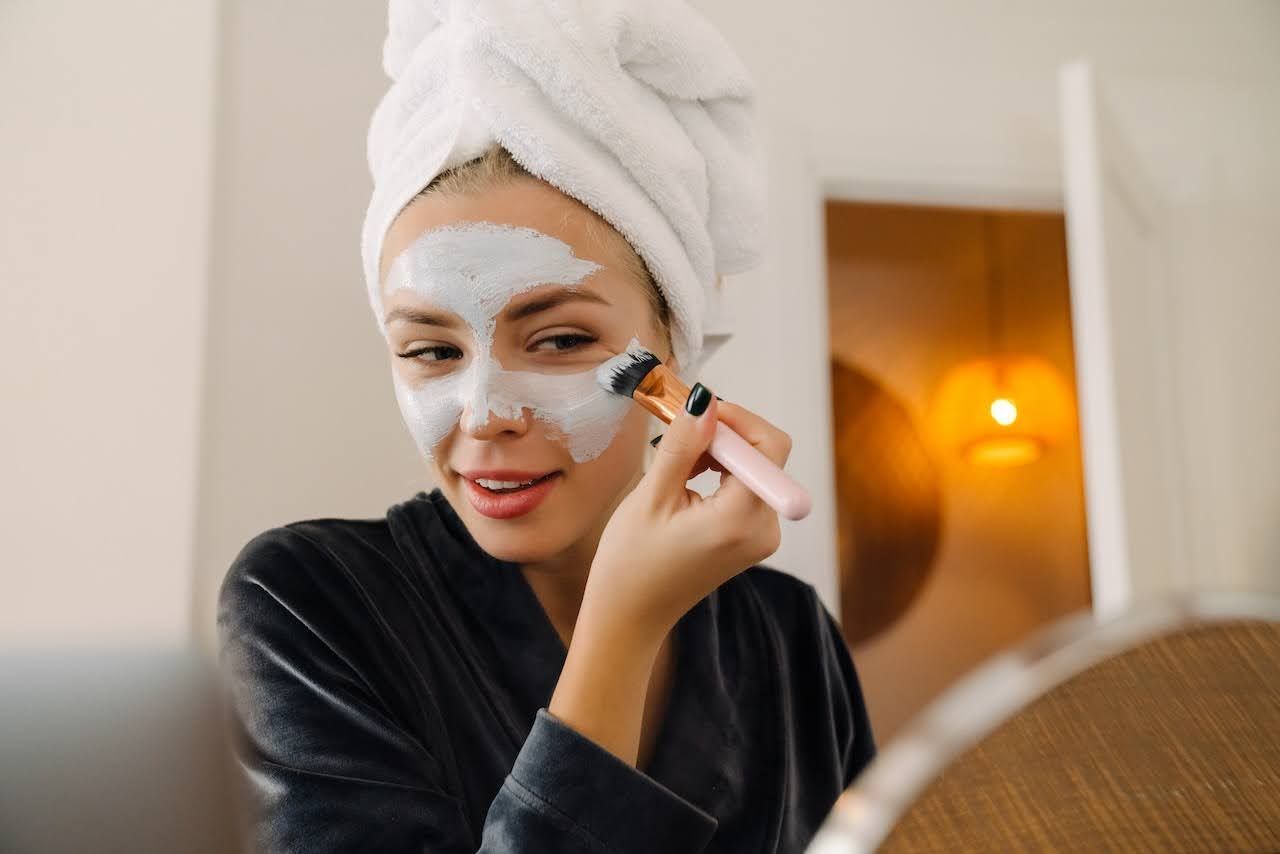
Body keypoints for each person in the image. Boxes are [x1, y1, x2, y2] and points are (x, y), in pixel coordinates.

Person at [217, 4, 874, 853]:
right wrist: (621, 631)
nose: (486, 413)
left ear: (672, 351)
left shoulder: (790, 640)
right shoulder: (307, 603)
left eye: (559, 339)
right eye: (429, 350)